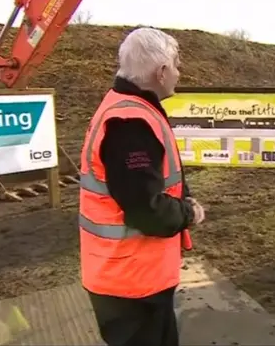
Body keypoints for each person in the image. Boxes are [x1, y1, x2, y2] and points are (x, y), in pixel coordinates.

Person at [78, 27, 206, 346]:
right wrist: (187, 213)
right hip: (131, 284)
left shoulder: (127, 108)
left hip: (131, 275)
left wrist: (182, 201)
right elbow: (146, 211)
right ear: (161, 72)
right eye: (176, 64)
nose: (179, 72)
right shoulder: (130, 124)